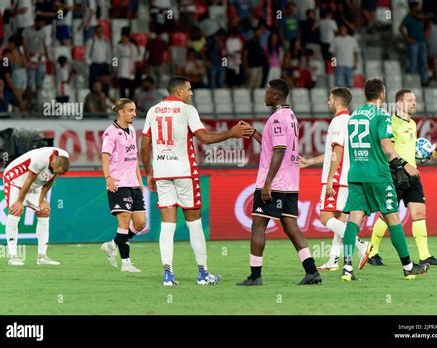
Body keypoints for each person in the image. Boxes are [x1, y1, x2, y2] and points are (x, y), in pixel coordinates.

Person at [141, 76, 254, 286]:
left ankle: (168, 275)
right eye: (189, 90)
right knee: (194, 224)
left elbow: (144, 144)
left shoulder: (153, 110)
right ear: (178, 92)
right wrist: (231, 133)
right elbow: (205, 138)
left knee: (167, 225)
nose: (191, 93)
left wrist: (149, 172)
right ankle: (203, 273)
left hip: (162, 173)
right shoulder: (187, 110)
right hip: (185, 173)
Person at [340, 78, 430, 281]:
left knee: (353, 219)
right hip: (378, 175)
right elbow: (386, 144)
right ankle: (408, 267)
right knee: (393, 218)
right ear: (382, 94)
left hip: (356, 173)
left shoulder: (354, 115)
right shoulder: (381, 115)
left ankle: (347, 268)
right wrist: (401, 165)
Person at [236, 79, 322, 286]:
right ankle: (312, 271)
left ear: (276, 96)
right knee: (290, 225)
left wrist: (267, 183)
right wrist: (254, 133)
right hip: (291, 182)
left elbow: (279, 150)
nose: (264, 95)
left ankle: (255, 276)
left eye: (267, 92)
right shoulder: (290, 116)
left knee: (258, 225)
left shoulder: (276, 119)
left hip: (275, 182)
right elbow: (274, 145)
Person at [368, 89, 437, 266]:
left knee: (419, 212)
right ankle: (372, 252)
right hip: (395, 174)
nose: (414, 103)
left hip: (413, 175)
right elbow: (387, 150)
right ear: (399, 104)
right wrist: (405, 165)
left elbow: (408, 151)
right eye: (410, 100)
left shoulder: (412, 123)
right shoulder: (391, 123)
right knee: (387, 215)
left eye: (415, 100)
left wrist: (423, 157)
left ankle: (425, 256)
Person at [299, 87, 370, 271]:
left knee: (325, 218)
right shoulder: (352, 121)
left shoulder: (338, 121)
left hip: (337, 179)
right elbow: (334, 152)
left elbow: (337, 151)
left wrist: (330, 179)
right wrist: (310, 161)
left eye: (330, 99)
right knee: (340, 219)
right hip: (350, 177)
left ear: (338, 102)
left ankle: (361, 244)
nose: (328, 101)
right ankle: (333, 260)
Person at [100, 98, 146, 272]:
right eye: (130, 110)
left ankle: (112, 244)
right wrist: (108, 177)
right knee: (124, 222)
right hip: (118, 182)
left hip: (133, 182)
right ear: (120, 112)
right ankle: (126, 263)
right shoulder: (110, 133)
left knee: (140, 223)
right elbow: (105, 156)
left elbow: (133, 158)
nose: (134, 114)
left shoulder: (132, 130)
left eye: (134, 110)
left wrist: (140, 181)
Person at [4, 147, 70, 266]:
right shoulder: (40, 159)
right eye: (56, 171)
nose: (57, 174)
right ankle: (12, 256)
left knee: (44, 211)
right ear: (53, 162)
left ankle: (42, 256)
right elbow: (29, 179)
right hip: (16, 179)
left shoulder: (63, 158)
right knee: (15, 211)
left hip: (35, 184)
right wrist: (19, 201)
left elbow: (51, 178)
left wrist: (41, 200)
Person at [400, 2, 429, 86]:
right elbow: (400, 28)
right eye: (417, 7)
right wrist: (407, 38)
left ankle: (423, 81)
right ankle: (411, 81)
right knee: (413, 62)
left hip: (422, 42)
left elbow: (428, 22)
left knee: (423, 62)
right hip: (414, 43)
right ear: (413, 7)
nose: (419, 9)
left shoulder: (421, 17)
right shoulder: (408, 17)